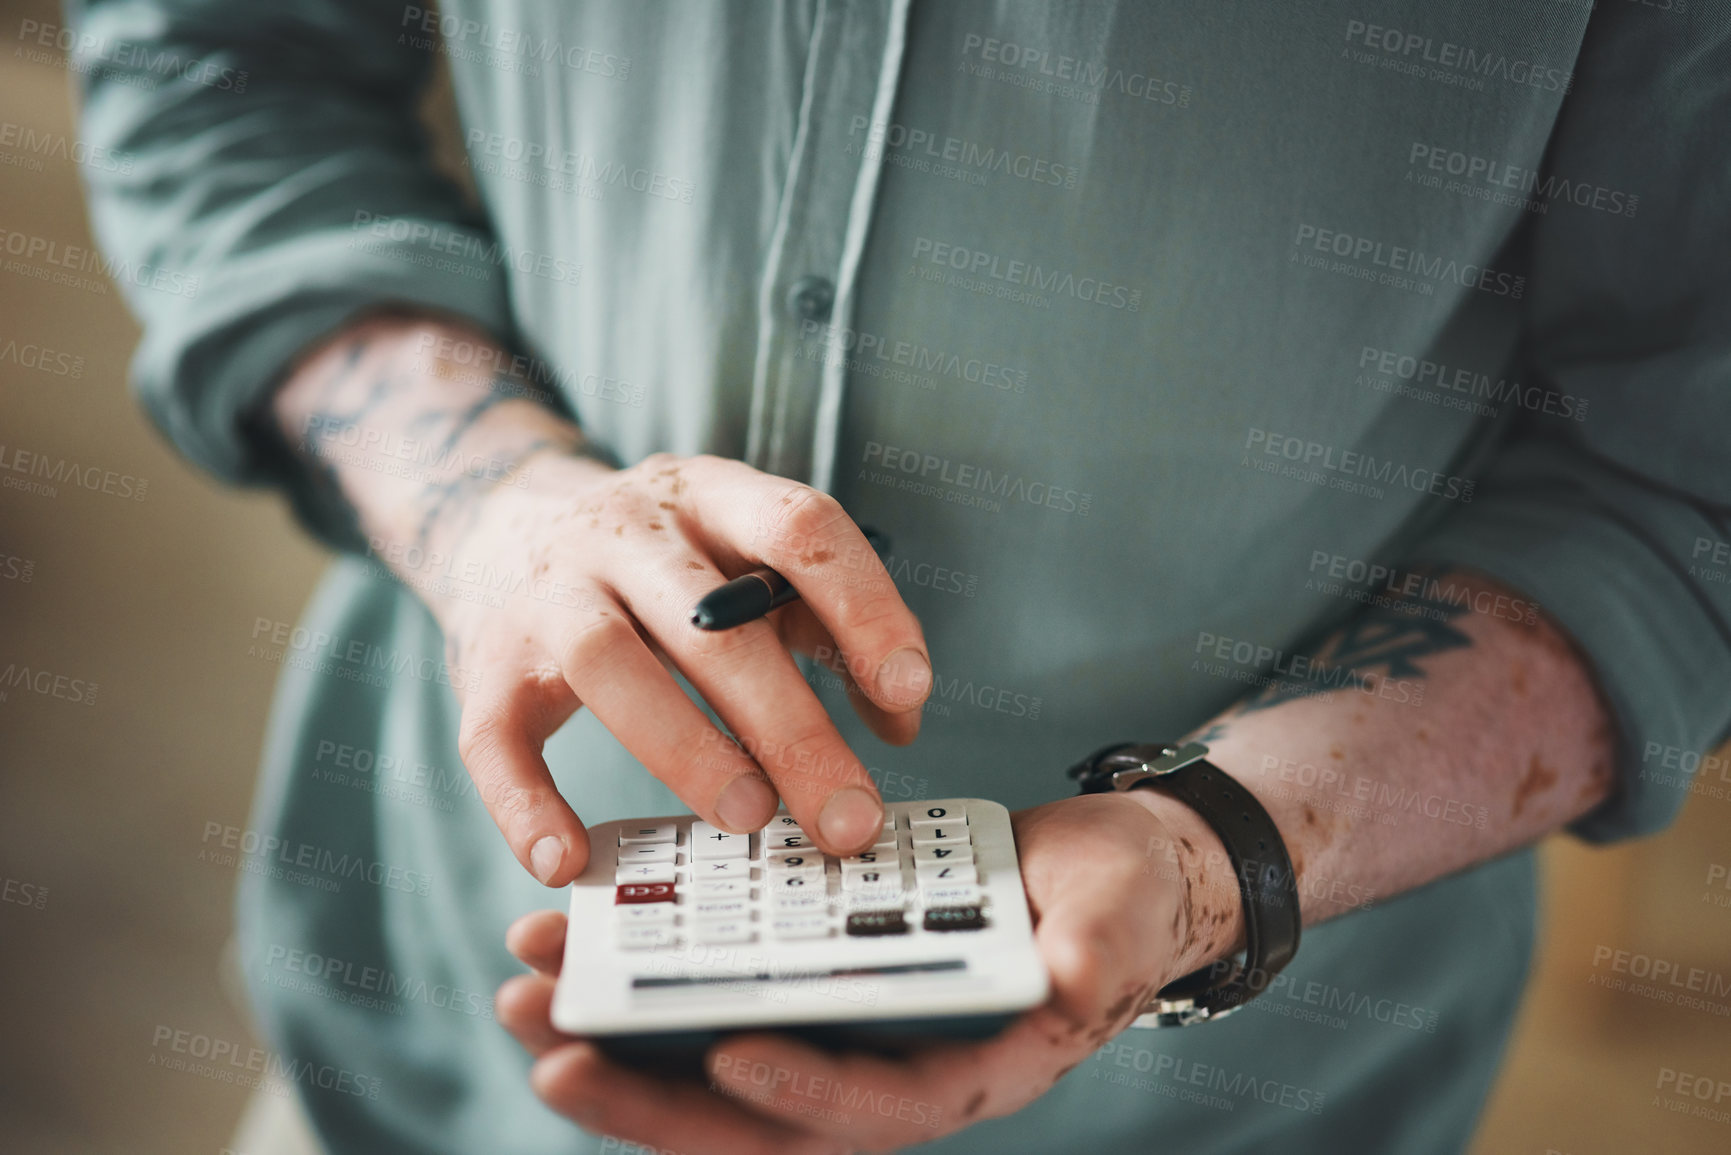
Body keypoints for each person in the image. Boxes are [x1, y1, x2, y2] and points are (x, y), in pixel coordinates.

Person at [69, 0, 1730, 1152]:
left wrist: (1214, 852)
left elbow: (1688, 478)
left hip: (1244, 1096)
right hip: (432, 1020)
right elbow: (215, 67)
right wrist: (490, 495)